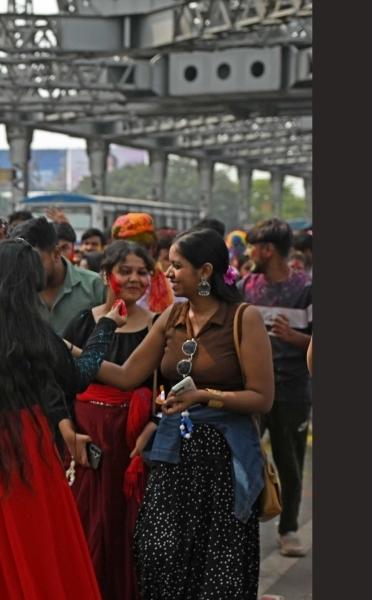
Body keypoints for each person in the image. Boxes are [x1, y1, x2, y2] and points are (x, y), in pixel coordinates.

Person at [0, 238, 126, 599]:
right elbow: (78, 377)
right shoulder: (34, 334)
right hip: (21, 441)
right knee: (30, 541)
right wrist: (106, 327)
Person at [94, 227, 274, 600]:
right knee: (158, 555)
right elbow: (127, 375)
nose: (168, 272)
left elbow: (262, 397)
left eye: (176, 265)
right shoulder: (171, 316)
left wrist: (204, 396)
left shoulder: (244, 318)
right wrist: (74, 354)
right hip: (173, 460)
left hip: (224, 464)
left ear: (205, 271)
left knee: (219, 572)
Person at [62, 241, 161, 600]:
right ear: (106, 275)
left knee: (125, 525)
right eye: (126, 271)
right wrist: (69, 431)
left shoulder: (157, 325)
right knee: (85, 523)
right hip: (85, 438)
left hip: (132, 441)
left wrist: (153, 425)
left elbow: (163, 387)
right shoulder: (84, 321)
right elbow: (62, 384)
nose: (135, 279)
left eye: (142, 272)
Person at [241, 218, 312, 557]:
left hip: (293, 391)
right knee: (244, 458)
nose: (250, 252)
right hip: (252, 390)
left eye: (255, 245)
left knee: (290, 461)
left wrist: (295, 338)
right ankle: (242, 525)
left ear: (268, 250)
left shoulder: (307, 289)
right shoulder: (246, 286)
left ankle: (289, 529)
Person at [15, 216, 106, 335]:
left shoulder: (95, 286)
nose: (28, 268)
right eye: (22, 262)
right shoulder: (15, 289)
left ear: (56, 254)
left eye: (35, 260)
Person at [111, 212, 174, 313]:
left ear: (153, 248)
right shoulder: (105, 279)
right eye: (129, 248)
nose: (137, 254)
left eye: (145, 247)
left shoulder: (168, 282)